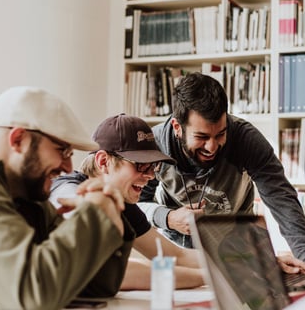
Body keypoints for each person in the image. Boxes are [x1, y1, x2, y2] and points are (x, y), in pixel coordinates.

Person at [0, 86, 135, 310]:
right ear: (18, 140)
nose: (68, 167)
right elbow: (32, 295)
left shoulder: (23, 190)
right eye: (62, 151)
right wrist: (95, 214)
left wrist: (109, 211)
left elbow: (95, 286)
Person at [138, 72, 305, 265]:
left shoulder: (246, 140)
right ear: (177, 127)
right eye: (202, 137)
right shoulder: (155, 145)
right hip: (178, 257)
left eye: (220, 134)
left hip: (238, 256)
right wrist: (169, 218)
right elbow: (137, 204)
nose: (212, 147)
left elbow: (283, 201)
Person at [50, 113, 206, 290]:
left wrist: (232, 263)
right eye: (141, 165)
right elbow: (111, 270)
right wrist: (208, 277)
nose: (150, 176)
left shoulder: (122, 203)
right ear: (103, 161)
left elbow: (175, 255)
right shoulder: (67, 190)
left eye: (153, 166)